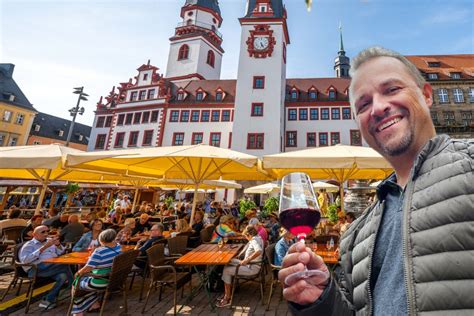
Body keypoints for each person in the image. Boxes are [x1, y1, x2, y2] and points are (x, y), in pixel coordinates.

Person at [279, 46, 474, 315]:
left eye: (392, 89)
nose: (379, 107)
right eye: (363, 104)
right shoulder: (356, 235)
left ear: (427, 95)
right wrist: (321, 299)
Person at [19, 225, 73, 310]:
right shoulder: (29, 245)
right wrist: (44, 247)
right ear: (35, 234)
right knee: (66, 265)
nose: (46, 234)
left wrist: (58, 245)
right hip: (36, 269)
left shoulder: (49, 241)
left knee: (63, 276)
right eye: (43, 232)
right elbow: (25, 260)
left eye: (47, 231)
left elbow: (60, 252)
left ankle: (48, 299)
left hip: (52, 267)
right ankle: (74, 286)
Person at [70, 229, 122, 315]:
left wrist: (77, 273)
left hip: (101, 281)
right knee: (85, 279)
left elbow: (87, 268)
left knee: (76, 283)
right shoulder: (118, 246)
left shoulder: (99, 251)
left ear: (101, 240)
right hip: (114, 279)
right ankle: (95, 304)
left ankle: (78, 312)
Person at [216, 225, 264, 308]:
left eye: (246, 236)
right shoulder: (258, 238)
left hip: (251, 267)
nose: (246, 238)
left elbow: (259, 251)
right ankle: (227, 291)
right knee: (228, 262)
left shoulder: (254, 241)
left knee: (226, 270)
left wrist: (247, 259)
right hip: (252, 264)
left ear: (249, 235)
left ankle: (227, 297)